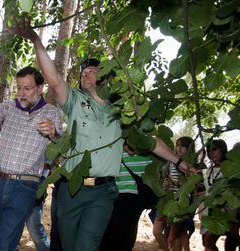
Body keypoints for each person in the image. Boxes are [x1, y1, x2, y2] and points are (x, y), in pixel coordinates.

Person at [14, 18, 192, 251]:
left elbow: (149, 142)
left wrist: (179, 161)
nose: (85, 75)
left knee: (87, 246)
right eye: (82, 72)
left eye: (91, 71)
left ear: (105, 77)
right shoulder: (75, 101)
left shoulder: (122, 112)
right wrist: (36, 40)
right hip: (72, 189)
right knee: (68, 246)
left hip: (103, 193)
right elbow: (54, 79)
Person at [0, 50, 63, 251]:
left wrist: (54, 135)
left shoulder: (52, 113)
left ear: (40, 88)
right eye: (19, 88)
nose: (22, 93)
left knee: (6, 243)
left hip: (25, 187)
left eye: (28, 88)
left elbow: (59, 150)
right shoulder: (9, 107)